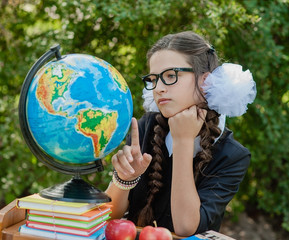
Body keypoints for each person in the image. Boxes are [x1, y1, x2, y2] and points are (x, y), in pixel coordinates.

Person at [105, 31, 256, 236]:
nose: (158, 88)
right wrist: (123, 179)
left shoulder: (232, 155)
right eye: (153, 79)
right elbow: (108, 217)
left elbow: (186, 228)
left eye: (170, 76)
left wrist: (183, 142)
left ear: (206, 81)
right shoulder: (146, 127)